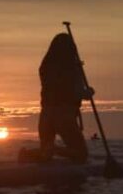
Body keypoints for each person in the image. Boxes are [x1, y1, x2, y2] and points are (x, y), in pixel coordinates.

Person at [37, 32, 94, 162]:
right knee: (81, 154)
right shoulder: (72, 69)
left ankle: (29, 154)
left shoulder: (45, 68)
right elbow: (76, 93)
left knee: (45, 154)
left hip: (45, 114)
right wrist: (89, 92)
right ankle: (54, 149)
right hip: (64, 115)